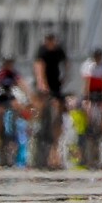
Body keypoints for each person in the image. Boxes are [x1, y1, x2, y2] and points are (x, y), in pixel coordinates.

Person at [32, 31, 67, 170]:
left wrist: (64, 79)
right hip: (44, 87)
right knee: (41, 110)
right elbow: (39, 67)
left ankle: (55, 151)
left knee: (57, 116)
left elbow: (66, 65)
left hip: (56, 87)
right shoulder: (42, 51)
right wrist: (42, 84)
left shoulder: (59, 51)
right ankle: (37, 124)